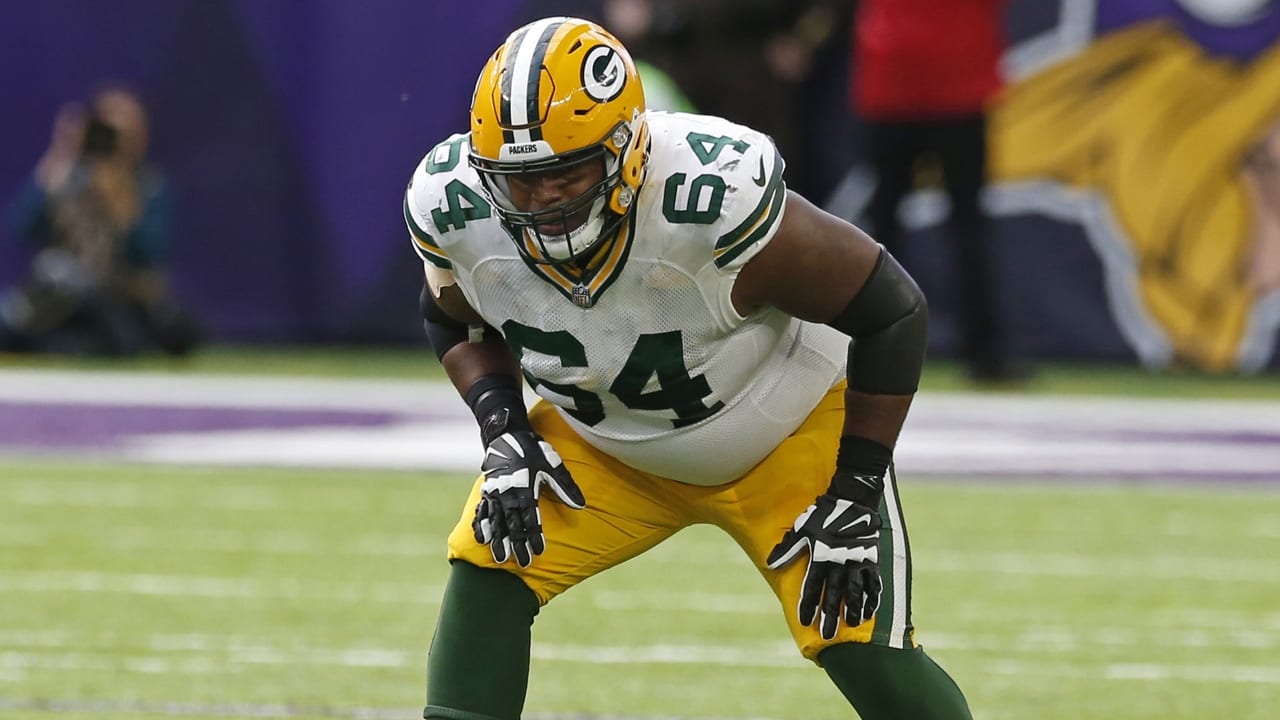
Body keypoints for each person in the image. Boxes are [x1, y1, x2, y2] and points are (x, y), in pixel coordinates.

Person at [403, 17, 972, 720]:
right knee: (491, 567)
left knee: (855, 637)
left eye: (564, 173)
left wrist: (854, 490)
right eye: (520, 183)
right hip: (603, 439)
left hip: (784, 428)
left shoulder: (708, 197)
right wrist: (504, 434)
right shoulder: (455, 207)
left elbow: (893, 310)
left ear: (627, 150)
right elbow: (454, 317)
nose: (544, 201)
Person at [851, 0, 1024, 383]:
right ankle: (983, 356)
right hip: (951, 78)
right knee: (964, 227)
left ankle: (861, 347)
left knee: (882, 231)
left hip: (900, 74)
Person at [1, 85, 199, 356]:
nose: (118, 145)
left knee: (164, 329)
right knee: (14, 315)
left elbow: (150, 252)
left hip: (119, 298)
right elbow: (22, 228)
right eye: (109, 134)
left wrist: (121, 206)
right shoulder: (67, 180)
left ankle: (69, 346)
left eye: (127, 134)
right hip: (63, 298)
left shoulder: (150, 188)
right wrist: (59, 157)